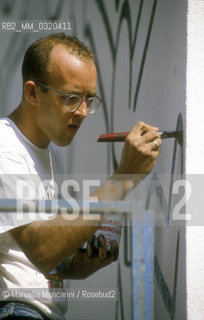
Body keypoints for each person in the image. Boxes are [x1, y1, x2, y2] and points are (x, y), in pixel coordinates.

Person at [0, 33, 162, 319]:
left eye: (89, 99)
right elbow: (41, 250)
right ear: (33, 93)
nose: (84, 112)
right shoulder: (5, 146)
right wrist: (123, 179)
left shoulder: (51, 152)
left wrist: (74, 266)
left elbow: (30, 257)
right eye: (72, 99)